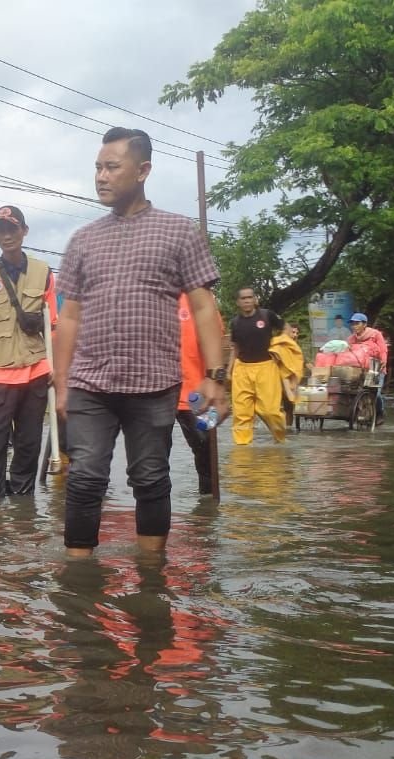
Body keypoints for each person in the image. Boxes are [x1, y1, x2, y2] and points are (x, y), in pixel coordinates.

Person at [53, 127, 226, 558]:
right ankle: (78, 577)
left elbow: (204, 308)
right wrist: (61, 384)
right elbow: (69, 317)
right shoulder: (83, 240)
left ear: (143, 170)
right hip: (90, 383)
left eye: (112, 167)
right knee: (85, 476)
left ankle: (152, 576)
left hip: (154, 383)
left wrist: (215, 378)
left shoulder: (179, 232)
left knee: (150, 476)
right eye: (97, 167)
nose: (101, 176)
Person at [0, 205, 57, 497]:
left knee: (28, 445)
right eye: (1, 230)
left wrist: (58, 369)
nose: (7, 236)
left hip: (36, 372)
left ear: (24, 231)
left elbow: (53, 324)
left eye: (13, 229)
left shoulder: (44, 272)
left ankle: (23, 508)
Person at [228, 287, 285, 445]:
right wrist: (229, 371)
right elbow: (235, 348)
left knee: (270, 411)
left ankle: (280, 439)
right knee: (241, 413)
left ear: (255, 299)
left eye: (249, 297)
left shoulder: (267, 315)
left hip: (266, 367)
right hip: (242, 368)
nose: (247, 301)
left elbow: (285, 328)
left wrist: (282, 347)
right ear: (238, 302)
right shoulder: (235, 323)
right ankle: (242, 448)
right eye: (243, 298)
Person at [175, 294, 216, 496]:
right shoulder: (146, 293)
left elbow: (215, 341)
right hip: (155, 393)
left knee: (207, 446)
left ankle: (207, 506)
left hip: (196, 392)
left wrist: (217, 382)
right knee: (150, 457)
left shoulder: (202, 298)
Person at [347, 312, 389, 419]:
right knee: (353, 391)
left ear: (364, 324)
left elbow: (383, 349)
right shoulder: (351, 339)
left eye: (357, 323)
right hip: (360, 370)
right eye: (353, 324)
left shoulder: (375, 334)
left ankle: (380, 413)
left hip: (376, 369)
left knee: (376, 393)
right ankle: (356, 413)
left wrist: (383, 361)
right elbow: (347, 353)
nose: (354, 326)